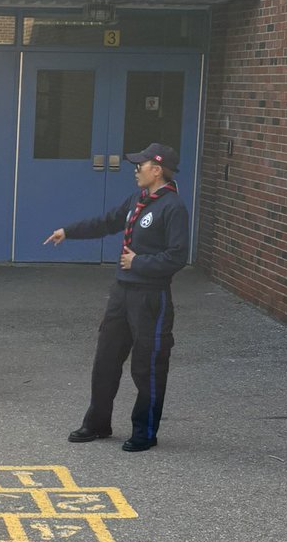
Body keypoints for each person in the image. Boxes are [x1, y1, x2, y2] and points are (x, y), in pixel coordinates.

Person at [44, 143, 189, 452]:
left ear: (157, 169)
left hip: (150, 298)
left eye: (141, 164)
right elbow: (107, 222)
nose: (136, 169)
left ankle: (145, 431)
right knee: (106, 361)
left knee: (146, 366)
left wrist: (139, 263)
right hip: (122, 293)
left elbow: (177, 257)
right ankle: (97, 423)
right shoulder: (137, 199)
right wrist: (68, 231)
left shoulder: (172, 207)